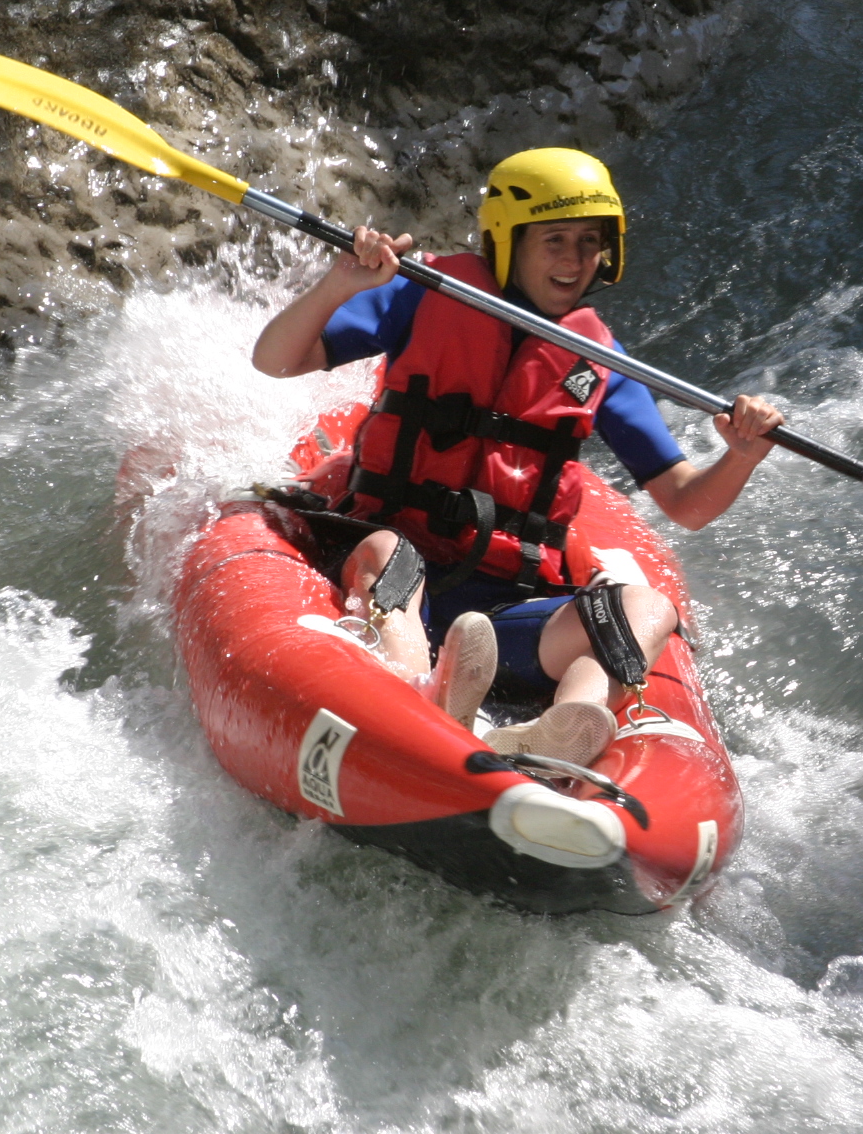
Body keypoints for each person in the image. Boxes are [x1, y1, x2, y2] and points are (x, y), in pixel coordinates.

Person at [252, 148, 783, 766]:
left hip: (507, 608)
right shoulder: (420, 294)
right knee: (389, 553)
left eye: (590, 241)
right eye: (554, 239)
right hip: (392, 558)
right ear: (506, 240)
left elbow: (687, 503)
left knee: (648, 607)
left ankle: (559, 735)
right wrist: (343, 281)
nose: (575, 258)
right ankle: (419, 710)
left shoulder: (601, 359)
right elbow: (276, 358)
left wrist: (741, 455)